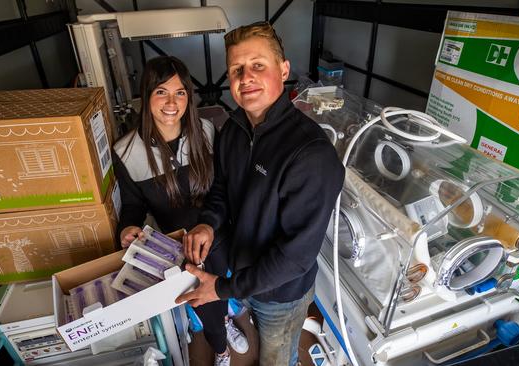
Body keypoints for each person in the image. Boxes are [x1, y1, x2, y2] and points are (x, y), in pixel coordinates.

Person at [176, 22, 345, 366]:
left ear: (283, 70)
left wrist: (222, 289)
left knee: (276, 357)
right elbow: (222, 188)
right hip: (243, 277)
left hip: (281, 294)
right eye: (236, 69)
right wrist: (208, 223)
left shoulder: (310, 154)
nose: (245, 77)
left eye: (258, 66)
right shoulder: (233, 130)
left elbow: (295, 256)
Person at [113, 56, 247, 366]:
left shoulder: (206, 131)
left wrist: (212, 225)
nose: (172, 102)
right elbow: (133, 205)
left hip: (219, 233)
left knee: (224, 287)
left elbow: (222, 186)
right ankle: (220, 347)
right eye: (161, 92)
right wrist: (127, 228)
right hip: (180, 247)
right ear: (146, 96)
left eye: (180, 92)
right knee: (204, 301)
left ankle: (226, 321)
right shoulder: (127, 152)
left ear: (190, 95)